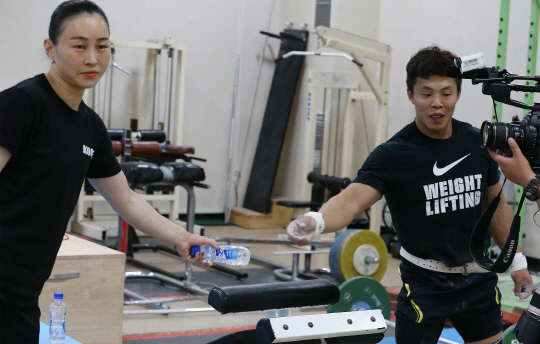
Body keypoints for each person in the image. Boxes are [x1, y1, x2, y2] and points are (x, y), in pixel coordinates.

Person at [0, 1, 217, 343]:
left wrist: (181, 237)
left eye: (102, 46)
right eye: (79, 46)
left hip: (22, 287)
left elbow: (125, 199)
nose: (92, 58)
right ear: (50, 49)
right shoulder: (23, 104)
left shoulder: (90, 126)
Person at [287, 46, 533, 344]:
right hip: (425, 282)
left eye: (446, 93)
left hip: (479, 279)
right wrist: (317, 220)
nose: (437, 104)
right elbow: (351, 200)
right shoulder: (393, 155)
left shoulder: (476, 142)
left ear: (458, 93)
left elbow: (496, 209)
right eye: (426, 93)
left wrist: (517, 263)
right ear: (410, 95)